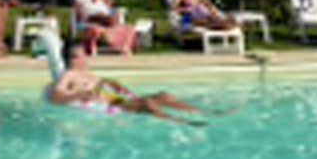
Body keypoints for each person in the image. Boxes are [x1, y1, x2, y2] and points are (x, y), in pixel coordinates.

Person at [48, 38, 211, 126]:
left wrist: (112, 83)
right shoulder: (69, 74)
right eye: (80, 55)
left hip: (119, 99)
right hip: (112, 106)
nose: (85, 58)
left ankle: (204, 113)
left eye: (84, 53)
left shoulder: (87, 73)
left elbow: (103, 85)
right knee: (147, 103)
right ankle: (182, 122)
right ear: (71, 58)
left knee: (163, 95)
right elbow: (56, 96)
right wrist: (79, 94)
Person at [72, 0, 136, 55]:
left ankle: (124, 48)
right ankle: (96, 47)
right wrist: (91, 18)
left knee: (130, 28)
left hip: (107, 21)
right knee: (96, 28)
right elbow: (80, 16)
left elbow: (110, 4)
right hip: (93, 20)